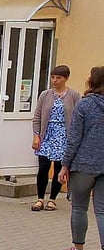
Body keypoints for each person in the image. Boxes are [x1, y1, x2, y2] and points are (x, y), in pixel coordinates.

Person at [58, 66, 104, 250]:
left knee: (79, 207)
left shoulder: (84, 105)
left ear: (92, 82)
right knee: (102, 211)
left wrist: (65, 164)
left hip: (83, 164)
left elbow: (74, 137)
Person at [31, 66, 80, 212]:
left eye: (58, 78)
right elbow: (37, 116)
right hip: (47, 135)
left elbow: (78, 118)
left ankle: (52, 199)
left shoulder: (74, 95)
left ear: (66, 78)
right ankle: (40, 198)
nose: (55, 80)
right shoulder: (45, 95)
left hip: (64, 136)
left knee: (59, 168)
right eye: (53, 77)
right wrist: (36, 135)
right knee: (43, 167)